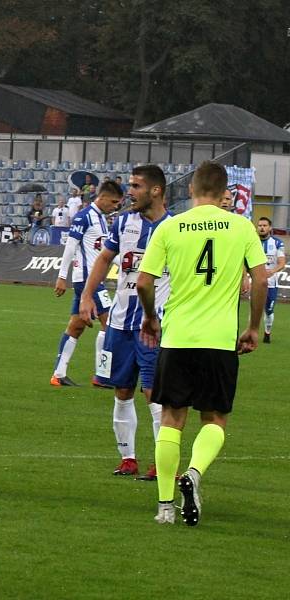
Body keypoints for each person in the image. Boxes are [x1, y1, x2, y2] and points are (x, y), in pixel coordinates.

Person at [137, 160, 267, 526]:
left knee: (171, 419)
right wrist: (253, 327)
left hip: (178, 336)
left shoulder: (171, 226)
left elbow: (144, 282)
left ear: (192, 189)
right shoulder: (242, 227)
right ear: (225, 193)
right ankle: (193, 474)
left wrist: (150, 317)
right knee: (214, 418)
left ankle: (165, 506)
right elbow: (260, 281)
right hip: (220, 340)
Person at [79, 165, 170, 479]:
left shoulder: (173, 229)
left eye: (136, 186)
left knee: (154, 393)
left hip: (153, 326)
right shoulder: (123, 222)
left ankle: (162, 461)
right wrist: (87, 296)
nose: (129, 191)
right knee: (121, 390)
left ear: (155, 190)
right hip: (119, 323)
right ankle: (128, 458)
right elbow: (105, 258)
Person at [51, 181, 123, 386]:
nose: (116, 206)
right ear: (102, 198)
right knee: (108, 322)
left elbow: (103, 251)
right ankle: (102, 375)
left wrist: (129, 266)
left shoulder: (100, 218)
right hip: (87, 280)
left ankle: (58, 374)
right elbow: (70, 246)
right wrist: (62, 276)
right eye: (114, 202)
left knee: (76, 326)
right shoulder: (84, 217)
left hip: (91, 280)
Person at [256, 216, 285, 343]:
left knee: (269, 310)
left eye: (264, 225)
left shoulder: (277, 243)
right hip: (256, 282)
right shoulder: (253, 242)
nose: (262, 228)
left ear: (270, 227)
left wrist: (271, 272)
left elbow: (282, 263)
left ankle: (267, 332)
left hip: (271, 282)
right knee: (254, 308)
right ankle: (253, 332)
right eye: (260, 225)